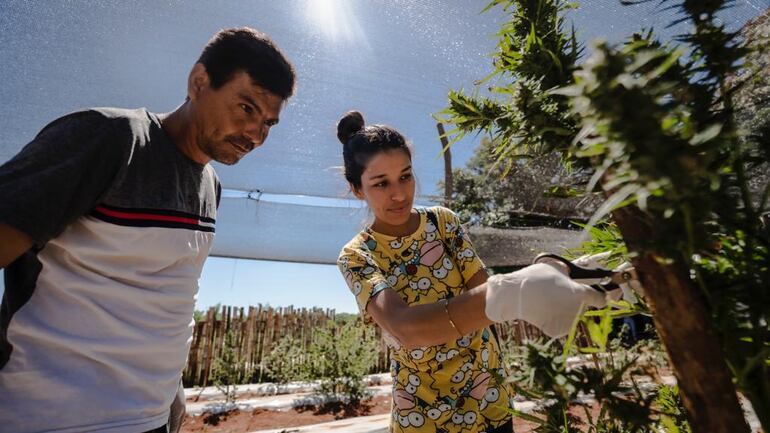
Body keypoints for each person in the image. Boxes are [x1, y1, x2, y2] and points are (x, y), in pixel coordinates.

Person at [0, 27, 295, 433]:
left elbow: (170, 291)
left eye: (269, 124)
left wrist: (170, 390)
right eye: (246, 108)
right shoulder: (111, 138)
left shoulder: (211, 187)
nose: (257, 136)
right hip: (53, 418)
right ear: (198, 82)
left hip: (151, 418)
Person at [335, 111, 630, 433]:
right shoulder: (357, 255)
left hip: (487, 397)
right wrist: (514, 292)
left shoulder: (441, 222)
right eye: (381, 183)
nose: (400, 193)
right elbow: (405, 327)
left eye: (406, 176)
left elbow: (483, 289)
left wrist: (558, 273)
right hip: (423, 413)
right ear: (357, 189)